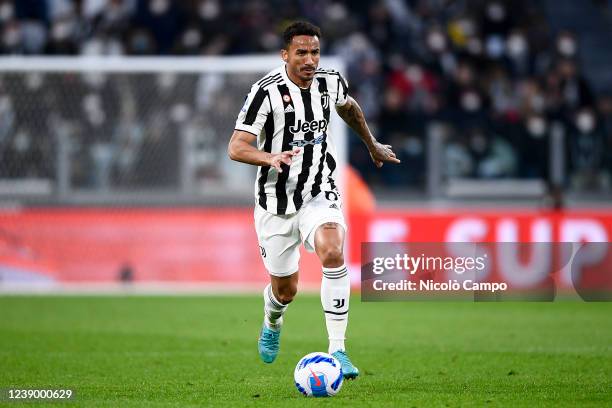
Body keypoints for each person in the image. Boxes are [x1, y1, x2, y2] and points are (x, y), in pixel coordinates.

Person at [227, 21, 400, 379]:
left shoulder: (330, 80)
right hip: (274, 203)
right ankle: (272, 320)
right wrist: (269, 158)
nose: (310, 59)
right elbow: (236, 147)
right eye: (301, 52)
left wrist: (372, 144)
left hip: (319, 190)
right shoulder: (266, 92)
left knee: (334, 250)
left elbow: (348, 107)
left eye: (315, 52)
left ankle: (338, 349)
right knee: (285, 290)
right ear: (285, 55)